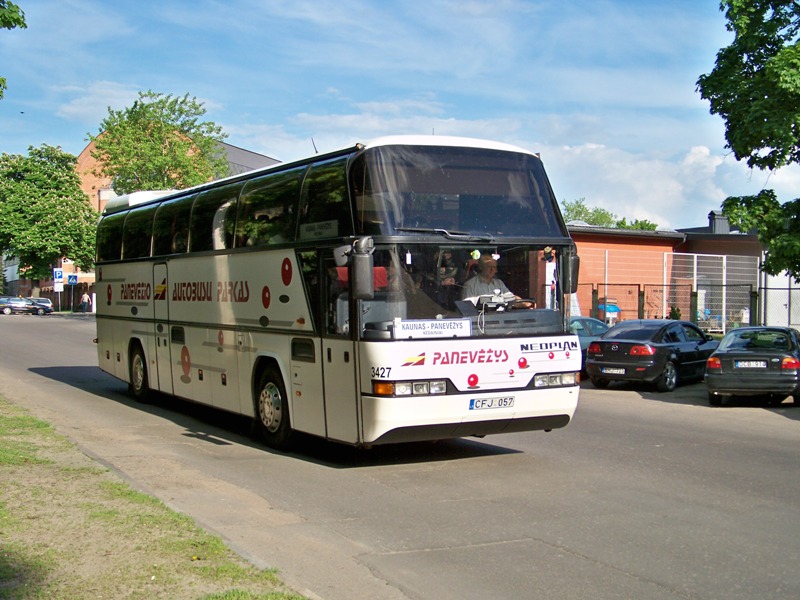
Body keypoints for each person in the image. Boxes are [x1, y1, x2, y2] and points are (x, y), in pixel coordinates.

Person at [461, 254, 534, 307]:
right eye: (489, 267)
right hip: (480, 322)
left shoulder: (498, 283)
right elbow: (466, 308)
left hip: (500, 319)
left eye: (494, 267)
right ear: (481, 267)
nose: (492, 270)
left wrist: (525, 304)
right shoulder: (470, 285)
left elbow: (511, 298)